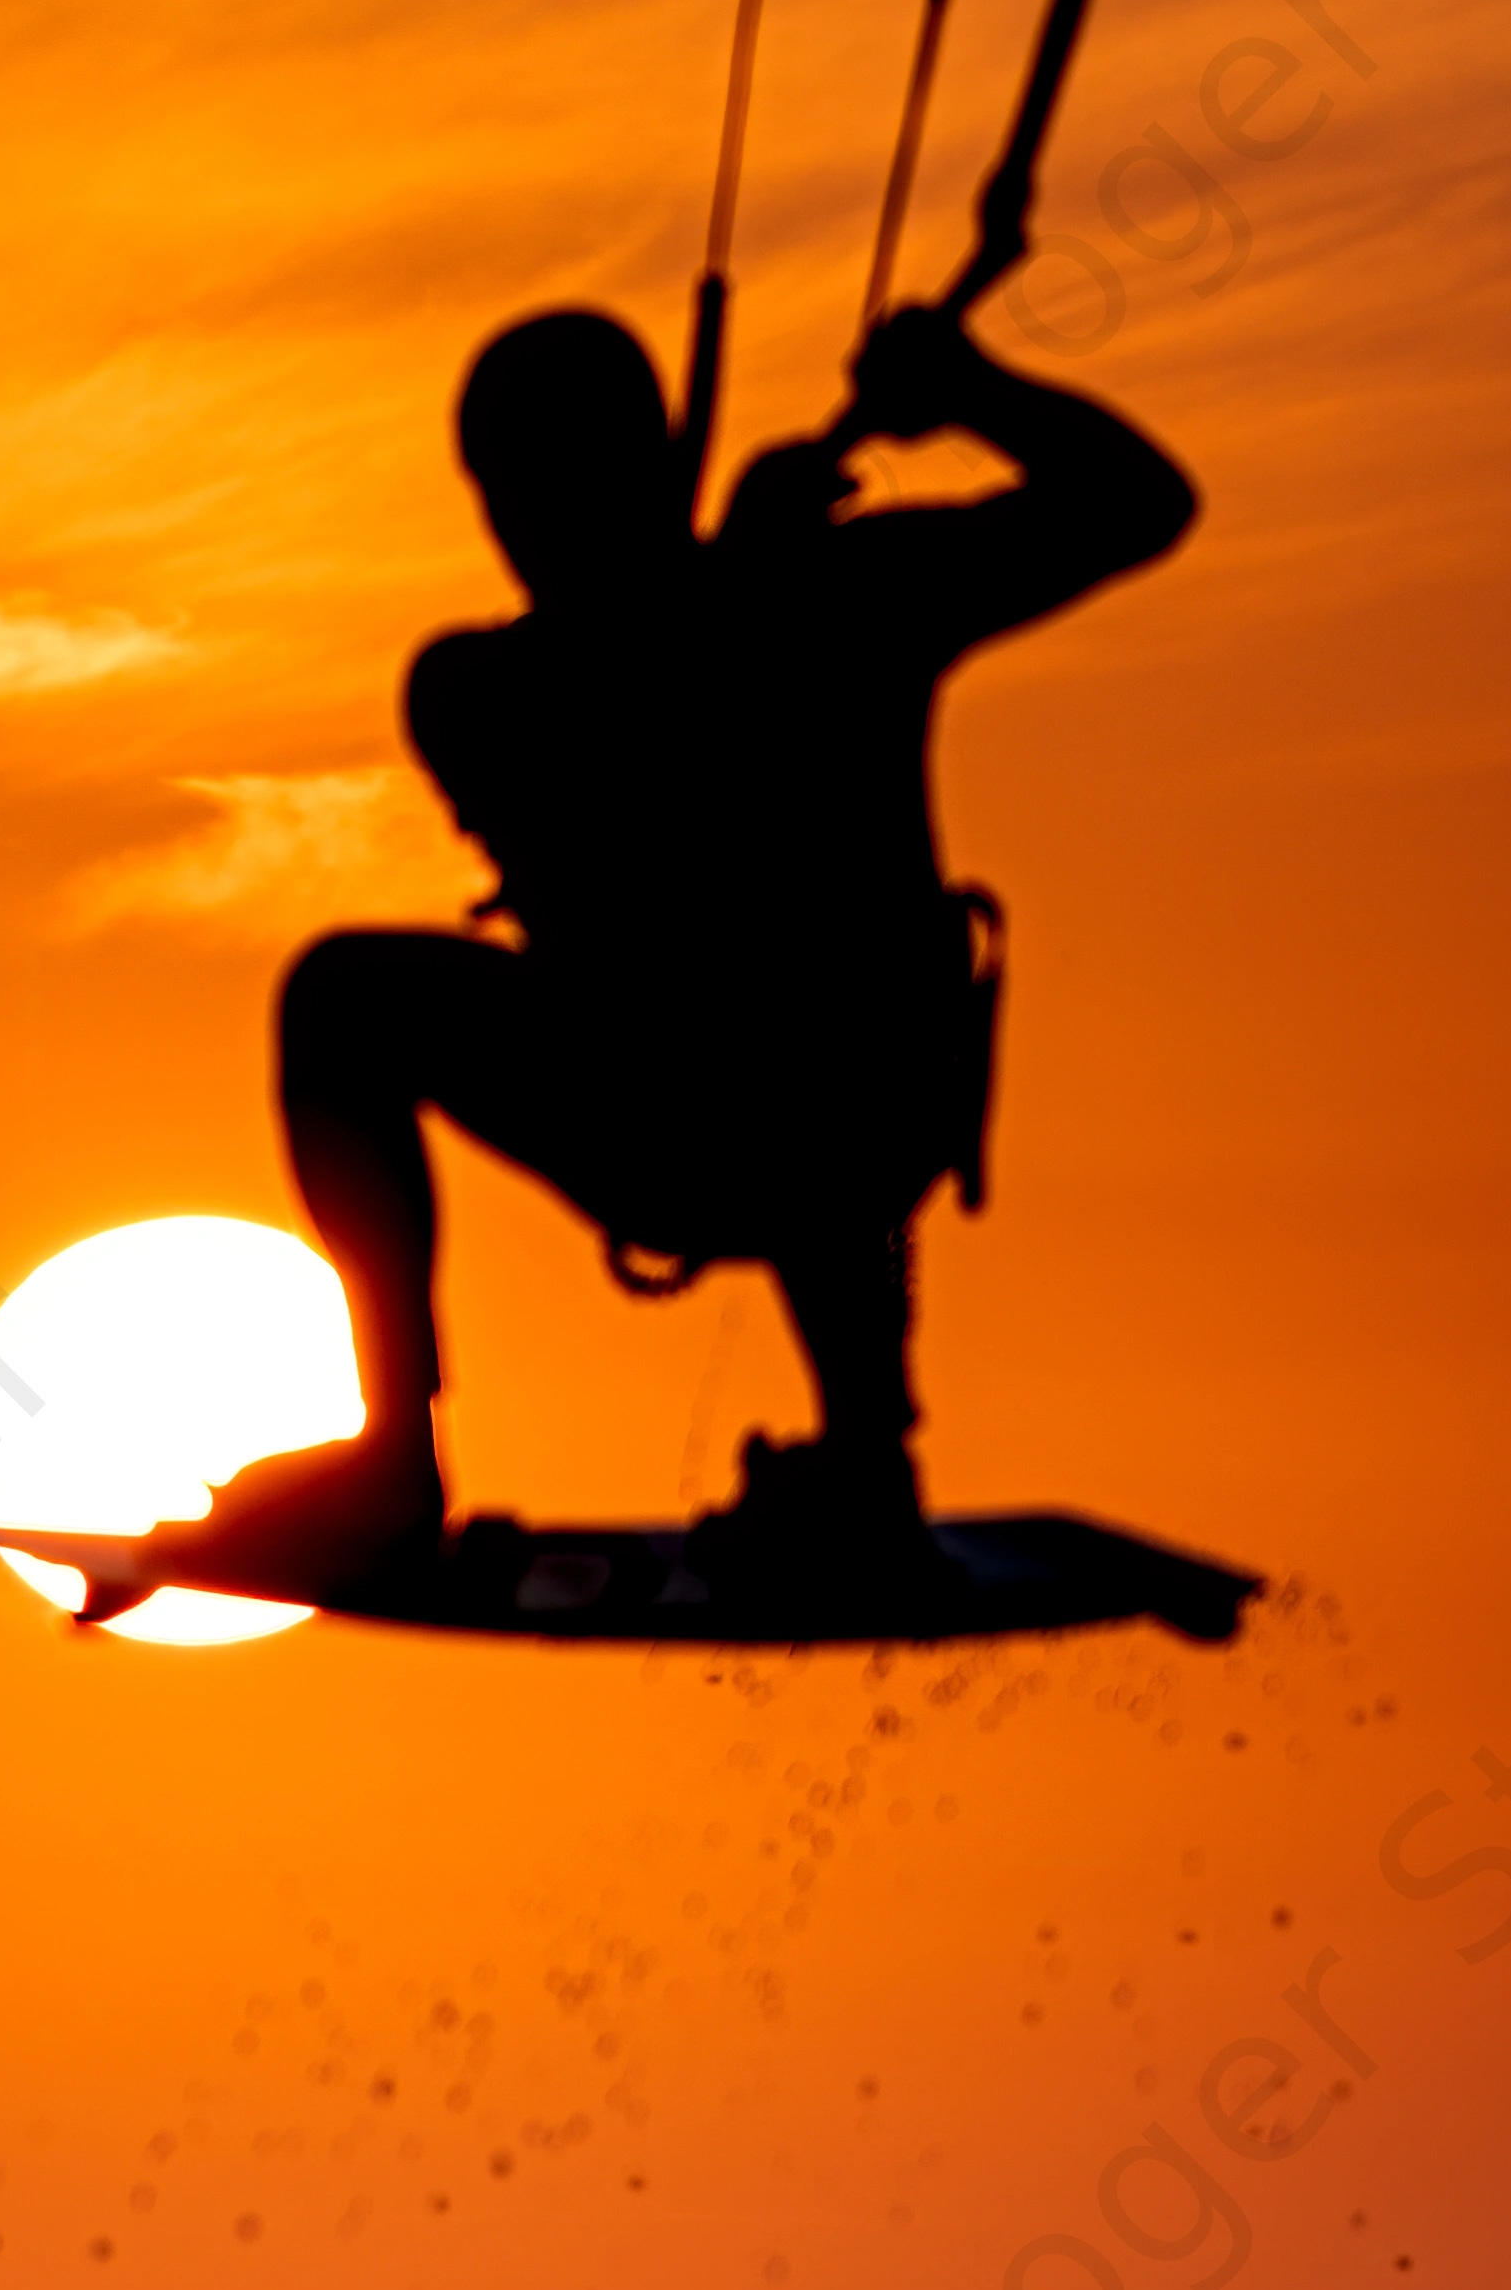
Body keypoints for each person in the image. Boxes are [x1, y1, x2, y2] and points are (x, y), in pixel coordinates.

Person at [191, 296, 1196, 1597]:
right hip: (667, 1109)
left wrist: (971, 388)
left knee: (814, 988)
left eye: (552, 481)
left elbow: (1141, 505)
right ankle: (401, 1459)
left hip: (830, 1108)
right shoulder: (482, 687)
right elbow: (643, 733)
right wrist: (737, 574)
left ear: (647, 462)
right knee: (341, 995)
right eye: (509, 491)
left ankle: (862, 1458)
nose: (525, 523)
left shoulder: (831, 596)